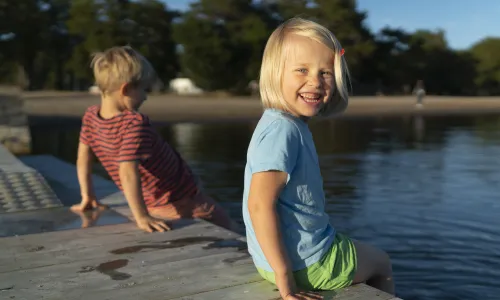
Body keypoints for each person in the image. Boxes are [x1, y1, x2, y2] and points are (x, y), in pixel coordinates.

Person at [242, 17, 395, 300]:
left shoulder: (280, 122)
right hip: (304, 264)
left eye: (325, 73)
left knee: (348, 241)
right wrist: (285, 279)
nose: (315, 82)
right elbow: (259, 205)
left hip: (273, 261)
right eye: (301, 70)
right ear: (275, 73)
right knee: (381, 261)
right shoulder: (283, 130)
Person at [71, 46, 234, 233]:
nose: (146, 96)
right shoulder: (133, 122)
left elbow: (83, 158)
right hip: (182, 201)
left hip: (156, 202)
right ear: (126, 89)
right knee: (232, 230)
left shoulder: (91, 116)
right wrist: (141, 217)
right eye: (143, 89)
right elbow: (127, 170)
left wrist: (88, 195)